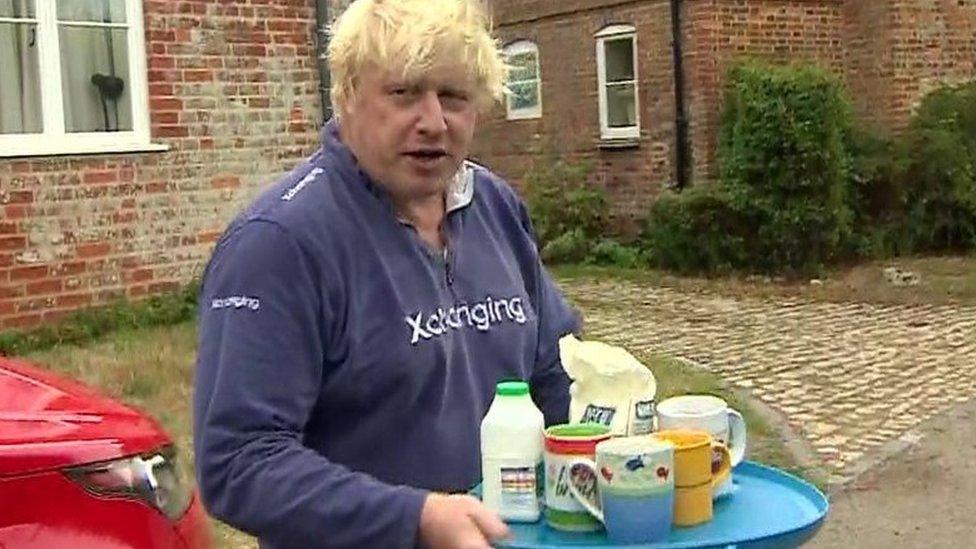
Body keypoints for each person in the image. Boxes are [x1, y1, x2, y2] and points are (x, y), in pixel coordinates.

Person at [192, 1, 580, 547]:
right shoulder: (279, 244)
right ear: (347, 96)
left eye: (453, 96)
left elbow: (555, 373)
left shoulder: (495, 207)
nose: (432, 121)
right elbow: (238, 463)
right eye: (403, 93)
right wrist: (414, 519)